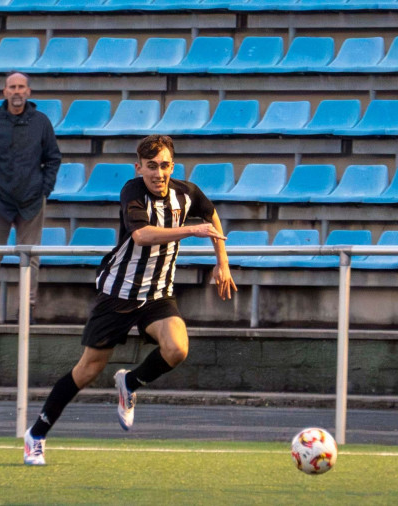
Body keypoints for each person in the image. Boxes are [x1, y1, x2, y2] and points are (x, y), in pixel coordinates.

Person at [22, 134, 237, 466]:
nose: (158, 174)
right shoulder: (132, 191)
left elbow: (211, 216)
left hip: (157, 295)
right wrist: (191, 231)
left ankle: (129, 382)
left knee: (178, 348)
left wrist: (222, 263)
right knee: (87, 370)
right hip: (117, 295)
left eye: (164, 166)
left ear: (172, 167)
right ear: (139, 168)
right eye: (151, 167)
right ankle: (36, 434)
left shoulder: (186, 193)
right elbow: (142, 235)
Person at [0, 71, 62, 325]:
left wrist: (45, 190)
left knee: (30, 256)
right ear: (5, 92)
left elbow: (53, 158)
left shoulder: (41, 122)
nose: (17, 91)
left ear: (28, 92)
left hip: (32, 198)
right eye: (12, 87)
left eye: (21, 87)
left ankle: (27, 308)